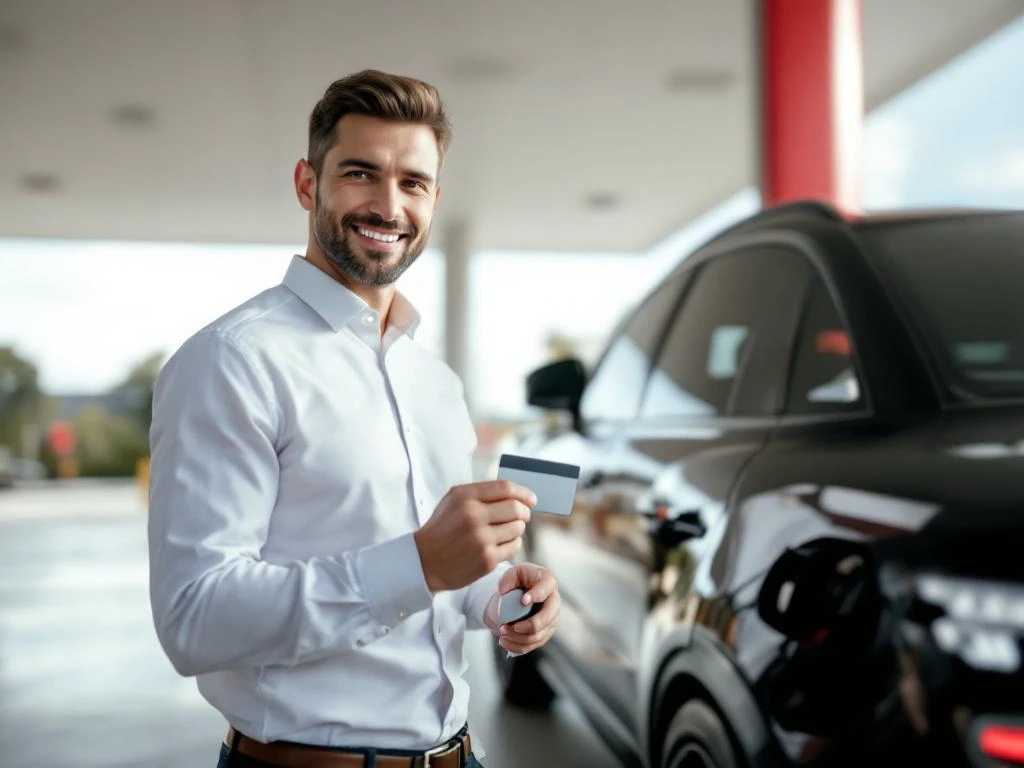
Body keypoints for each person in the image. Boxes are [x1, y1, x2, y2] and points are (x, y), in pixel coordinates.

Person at [147, 69, 561, 768]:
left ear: (433, 199)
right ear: (308, 184)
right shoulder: (231, 361)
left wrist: (499, 594)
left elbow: (439, 577)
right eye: (362, 174)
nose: (388, 205)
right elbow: (195, 618)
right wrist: (420, 564)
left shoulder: (436, 382)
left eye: (413, 183)